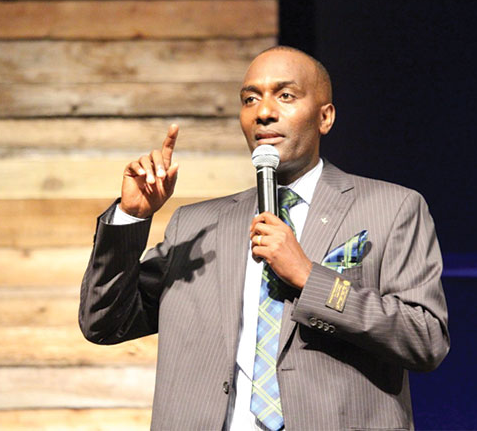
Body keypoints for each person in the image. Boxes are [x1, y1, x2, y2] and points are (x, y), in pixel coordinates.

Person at [79, 46, 449, 430]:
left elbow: (425, 339)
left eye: (285, 95)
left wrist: (310, 278)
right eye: (250, 99)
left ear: (325, 117)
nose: (264, 112)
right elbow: (104, 323)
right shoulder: (196, 225)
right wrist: (132, 217)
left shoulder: (392, 208)